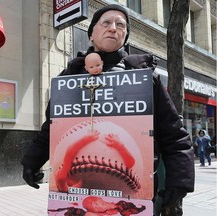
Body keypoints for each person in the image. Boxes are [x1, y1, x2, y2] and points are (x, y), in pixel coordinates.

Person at [21, 4, 195, 215]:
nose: (113, 28)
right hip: (78, 195)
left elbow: (174, 134)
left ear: (125, 36)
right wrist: (32, 161)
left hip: (133, 194)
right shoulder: (69, 78)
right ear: (92, 33)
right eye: (106, 23)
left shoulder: (145, 78)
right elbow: (52, 127)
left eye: (120, 25)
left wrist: (180, 180)